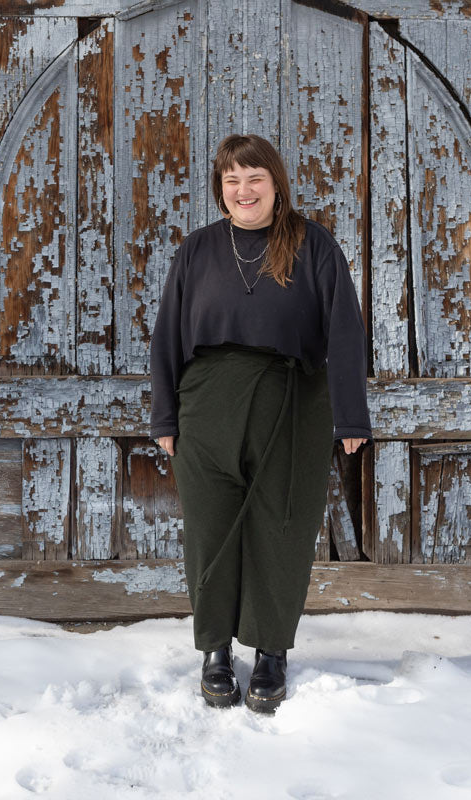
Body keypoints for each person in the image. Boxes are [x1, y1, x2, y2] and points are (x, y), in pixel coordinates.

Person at [149, 133, 373, 714]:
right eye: (232, 181)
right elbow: (168, 336)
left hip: (291, 400)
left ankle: (271, 652)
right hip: (208, 401)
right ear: (220, 188)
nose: (243, 191)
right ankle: (215, 651)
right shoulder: (196, 250)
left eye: (255, 179)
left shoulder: (313, 244)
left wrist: (350, 413)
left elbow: (345, 332)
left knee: (282, 524)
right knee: (211, 528)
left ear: (275, 184)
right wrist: (165, 415)